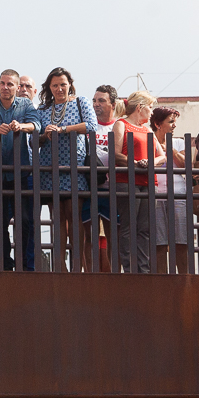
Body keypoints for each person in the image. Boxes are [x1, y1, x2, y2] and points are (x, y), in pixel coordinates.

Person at [0, 69, 43, 271]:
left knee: (25, 220)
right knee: (0, 220)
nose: (5, 87)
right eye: (2, 83)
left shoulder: (25, 105)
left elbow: (36, 125)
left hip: (22, 172)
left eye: (10, 84)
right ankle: (3, 263)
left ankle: (24, 264)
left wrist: (21, 126)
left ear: (17, 87)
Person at [34, 67, 100, 272]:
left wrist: (63, 129)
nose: (59, 89)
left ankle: (77, 264)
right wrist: (45, 134)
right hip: (49, 166)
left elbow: (91, 126)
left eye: (63, 84)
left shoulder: (81, 102)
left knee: (74, 214)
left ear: (70, 84)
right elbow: (34, 140)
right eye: (55, 85)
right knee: (57, 217)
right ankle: (60, 264)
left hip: (74, 165)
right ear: (49, 87)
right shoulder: (43, 109)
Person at [109, 91, 164, 274]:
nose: (152, 111)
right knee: (128, 225)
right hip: (127, 180)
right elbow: (116, 153)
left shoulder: (148, 130)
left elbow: (162, 156)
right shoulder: (121, 124)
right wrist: (135, 163)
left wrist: (149, 162)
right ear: (140, 107)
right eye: (150, 107)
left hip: (148, 181)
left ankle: (143, 269)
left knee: (145, 228)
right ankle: (130, 268)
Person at [147, 105, 194, 273]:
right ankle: (162, 281)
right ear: (158, 124)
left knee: (181, 240)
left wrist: (171, 150)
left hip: (179, 194)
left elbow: (187, 165)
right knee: (159, 242)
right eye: (171, 121)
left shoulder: (179, 142)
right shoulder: (148, 141)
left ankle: (183, 279)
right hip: (156, 194)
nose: (174, 125)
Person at [87, 85, 121, 270]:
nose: (96, 104)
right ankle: (87, 277)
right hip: (88, 188)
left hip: (112, 189)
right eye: (94, 100)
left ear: (113, 104)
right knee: (86, 236)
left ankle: (115, 276)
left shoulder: (119, 127)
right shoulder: (88, 126)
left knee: (113, 236)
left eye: (101, 100)